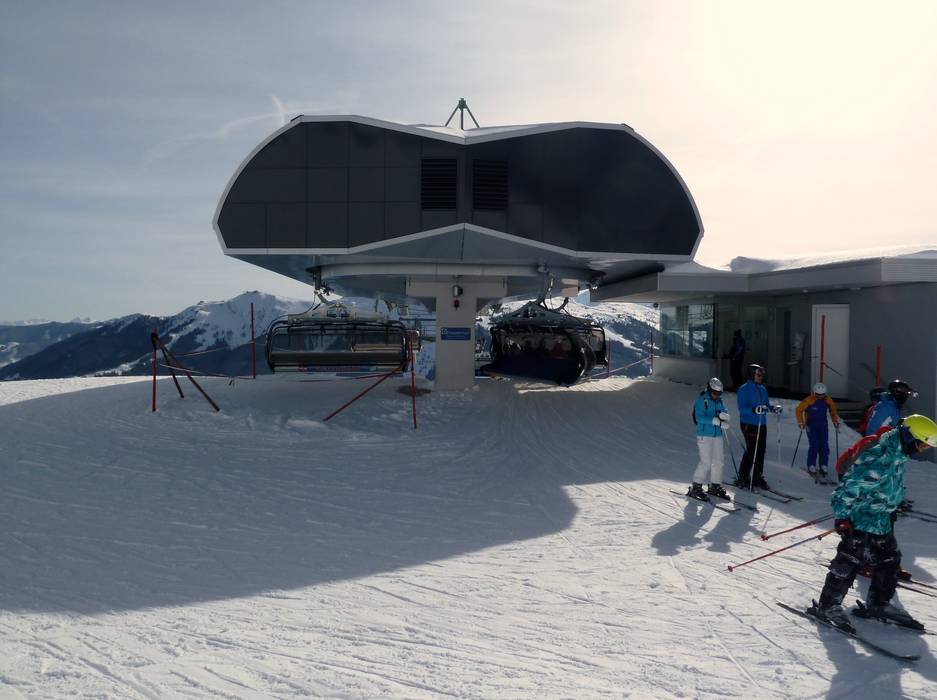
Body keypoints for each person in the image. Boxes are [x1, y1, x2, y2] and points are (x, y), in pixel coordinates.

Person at [811, 414, 937, 633]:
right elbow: (847, 488)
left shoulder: (898, 455)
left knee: (889, 559)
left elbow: (887, 485)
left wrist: (892, 505)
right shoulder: (879, 455)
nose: (922, 450)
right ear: (909, 437)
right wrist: (842, 517)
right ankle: (828, 605)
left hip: (881, 520)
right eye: (921, 444)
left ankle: (878, 603)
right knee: (849, 561)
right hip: (860, 519)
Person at [734, 364, 782, 490]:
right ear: (752, 375)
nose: (761, 377)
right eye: (758, 375)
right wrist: (754, 410)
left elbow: (765, 405)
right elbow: (742, 408)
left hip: (761, 424)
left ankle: (757, 476)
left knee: (761, 450)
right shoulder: (744, 389)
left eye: (762, 375)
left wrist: (773, 409)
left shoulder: (762, 389)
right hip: (749, 423)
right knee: (751, 450)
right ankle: (743, 476)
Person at [687, 377, 731, 501]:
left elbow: (724, 411)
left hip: (717, 435)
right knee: (705, 461)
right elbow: (699, 417)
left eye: (719, 393)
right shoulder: (702, 400)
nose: (717, 395)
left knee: (719, 461)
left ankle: (715, 486)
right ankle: (696, 487)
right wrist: (714, 420)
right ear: (710, 390)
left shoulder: (719, 401)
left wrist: (725, 417)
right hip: (704, 435)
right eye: (715, 392)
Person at [795, 382, 841, 482]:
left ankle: (823, 465)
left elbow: (833, 411)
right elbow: (798, 410)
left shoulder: (828, 400)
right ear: (814, 393)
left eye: (822, 394)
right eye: (818, 394)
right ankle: (811, 465)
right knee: (814, 445)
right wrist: (800, 422)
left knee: (824, 446)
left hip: (823, 426)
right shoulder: (808, 400)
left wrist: (835, 421)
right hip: (811, 426)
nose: (820, 396)